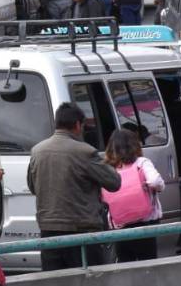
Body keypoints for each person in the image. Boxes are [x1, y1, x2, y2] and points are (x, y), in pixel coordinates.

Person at [27, 103, 122, 271]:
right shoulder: (85, 152)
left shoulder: (37, 151)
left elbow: (33, 187)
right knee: (88, 285)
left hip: (48, 232)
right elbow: (114, 182)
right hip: (81, 231)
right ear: (78, 125)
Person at [103, 129, 165, 262]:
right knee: (148, 263)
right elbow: (155, 181)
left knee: (126, 264)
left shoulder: (108, 168)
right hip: (145, 222)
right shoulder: (141, 162)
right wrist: (154, 188)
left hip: (120, 225)